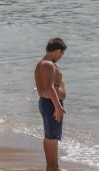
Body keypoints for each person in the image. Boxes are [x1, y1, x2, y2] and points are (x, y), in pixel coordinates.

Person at [35, 38, 68, 171]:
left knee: (49, 136)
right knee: (52, 137)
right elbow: (49, 88)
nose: (61, 57)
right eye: (62, 53)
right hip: (51, 103)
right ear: (57, 51)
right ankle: (54, 167)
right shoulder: (48, 64)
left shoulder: (42, 63)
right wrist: (58, 107)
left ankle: (51, 167)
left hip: (47, 102)